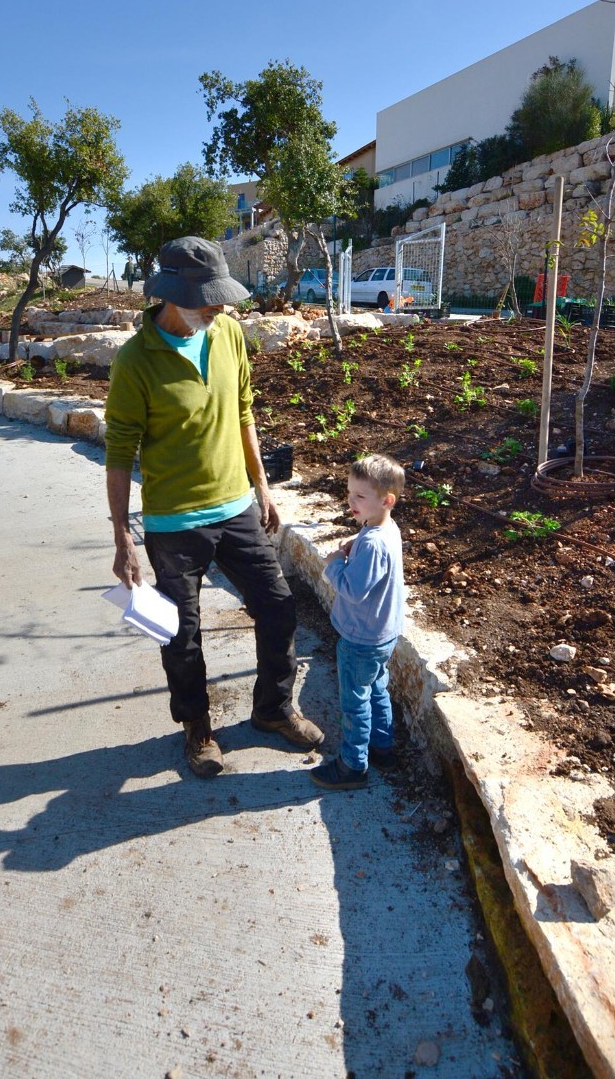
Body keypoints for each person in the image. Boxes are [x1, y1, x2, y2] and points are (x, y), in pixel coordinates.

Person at [104, 235, 324, 777]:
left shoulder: (227, 333)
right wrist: (122, 537)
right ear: (172, 295)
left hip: (236, 507)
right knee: (180, 634)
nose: (221, 306)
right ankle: (196, 726)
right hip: (172, 522)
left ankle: (273, 710)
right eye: (209, 298)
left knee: (277, 606)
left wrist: (261, 486)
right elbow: (119, 451)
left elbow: (244, 410)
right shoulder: (135, 361)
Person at [312, 454, 405, 792]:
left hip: (360, 639)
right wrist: (356, 545)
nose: (351, 501)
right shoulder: (385, 529)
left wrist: (334, 563)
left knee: (355, 701)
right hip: (383, 634)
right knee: (377, 688)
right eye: (349, 493)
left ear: (386, 500)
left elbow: (353, 590)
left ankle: (353, 765)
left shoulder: (372, 543)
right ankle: (382, 746)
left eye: (360, 497)